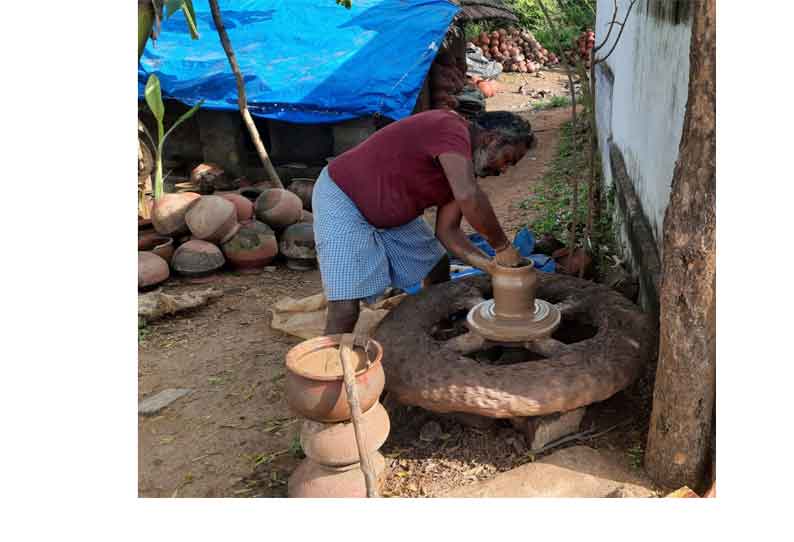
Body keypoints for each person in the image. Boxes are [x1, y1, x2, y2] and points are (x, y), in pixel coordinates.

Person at [312, 109, 534, 335]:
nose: (504, 170)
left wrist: (491, 266)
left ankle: (437, 328)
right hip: (344, 198)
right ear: (491, 139)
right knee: (346, 307)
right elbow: (469, 196)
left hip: (390, 213)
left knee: (437, 266)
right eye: (507, 159)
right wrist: (502, 247)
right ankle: (328, 364)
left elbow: (449, 233)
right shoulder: (450, 128)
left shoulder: (461, 171)